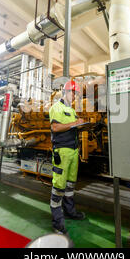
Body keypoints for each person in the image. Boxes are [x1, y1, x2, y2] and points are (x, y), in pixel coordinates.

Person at [48, 80, 87, 234]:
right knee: (58, 187)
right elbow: (55, 127)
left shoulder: (71, 110)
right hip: (62, 152)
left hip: (73, 151)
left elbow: (73, 124)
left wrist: (81, 123)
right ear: (65, 92)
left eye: (76, 94)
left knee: (70, 186)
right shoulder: (55, 108)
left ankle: (70, 212)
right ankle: (57, 222)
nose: (74, 96)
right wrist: (74, 123)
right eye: (73, 92)